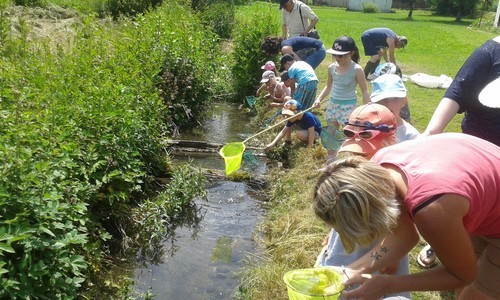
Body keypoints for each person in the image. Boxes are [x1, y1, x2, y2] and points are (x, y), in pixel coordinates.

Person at [313, 133, 500, 299]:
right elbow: (405, 236)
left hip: (485, 210)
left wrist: (388, 285)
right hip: (483, 197)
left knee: (474, 290)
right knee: (465, 283)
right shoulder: (378, 168)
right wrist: (352, 271)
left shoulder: (431, 211)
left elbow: (463, 275)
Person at [316, 103, 411, 300]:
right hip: (342, 250)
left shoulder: (390, 179)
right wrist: (331, 231)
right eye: (354, 149)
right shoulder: (351, 167)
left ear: (390, 140)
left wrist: (387, 256)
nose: (359, 156)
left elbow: (404, 232)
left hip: (372, 257)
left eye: (366, 151)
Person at [420, 36, 500, 268]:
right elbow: (457, 91)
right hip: (480, 153)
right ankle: (443, 242)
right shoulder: (489, 53)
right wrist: (431, 133)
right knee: (467, 207)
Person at [312, 36, 370, 162]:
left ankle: (347, 160)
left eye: (342, 56)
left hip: (348, 107)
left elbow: (364, 90)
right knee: (330, 134)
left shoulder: (356, 70)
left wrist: (367, 108)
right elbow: (328, 87)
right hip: (333, 105)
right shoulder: (331, 68)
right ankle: (331, 159)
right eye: (336, 55)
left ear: (351, 53)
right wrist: (319, 99)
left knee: (347, 135)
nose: (338, 59)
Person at [370, 74, 419, 142]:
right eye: (383, 99)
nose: (388, 103)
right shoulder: (367, 128)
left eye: (394, 98)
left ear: (403, 102)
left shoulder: (411, 136)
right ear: (373, 103)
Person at [260, 36, 326, 70]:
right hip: (317, 48)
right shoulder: (284, 44)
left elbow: (299, 63)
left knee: (303, 70)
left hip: (318, 50)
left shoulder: (285, 49)